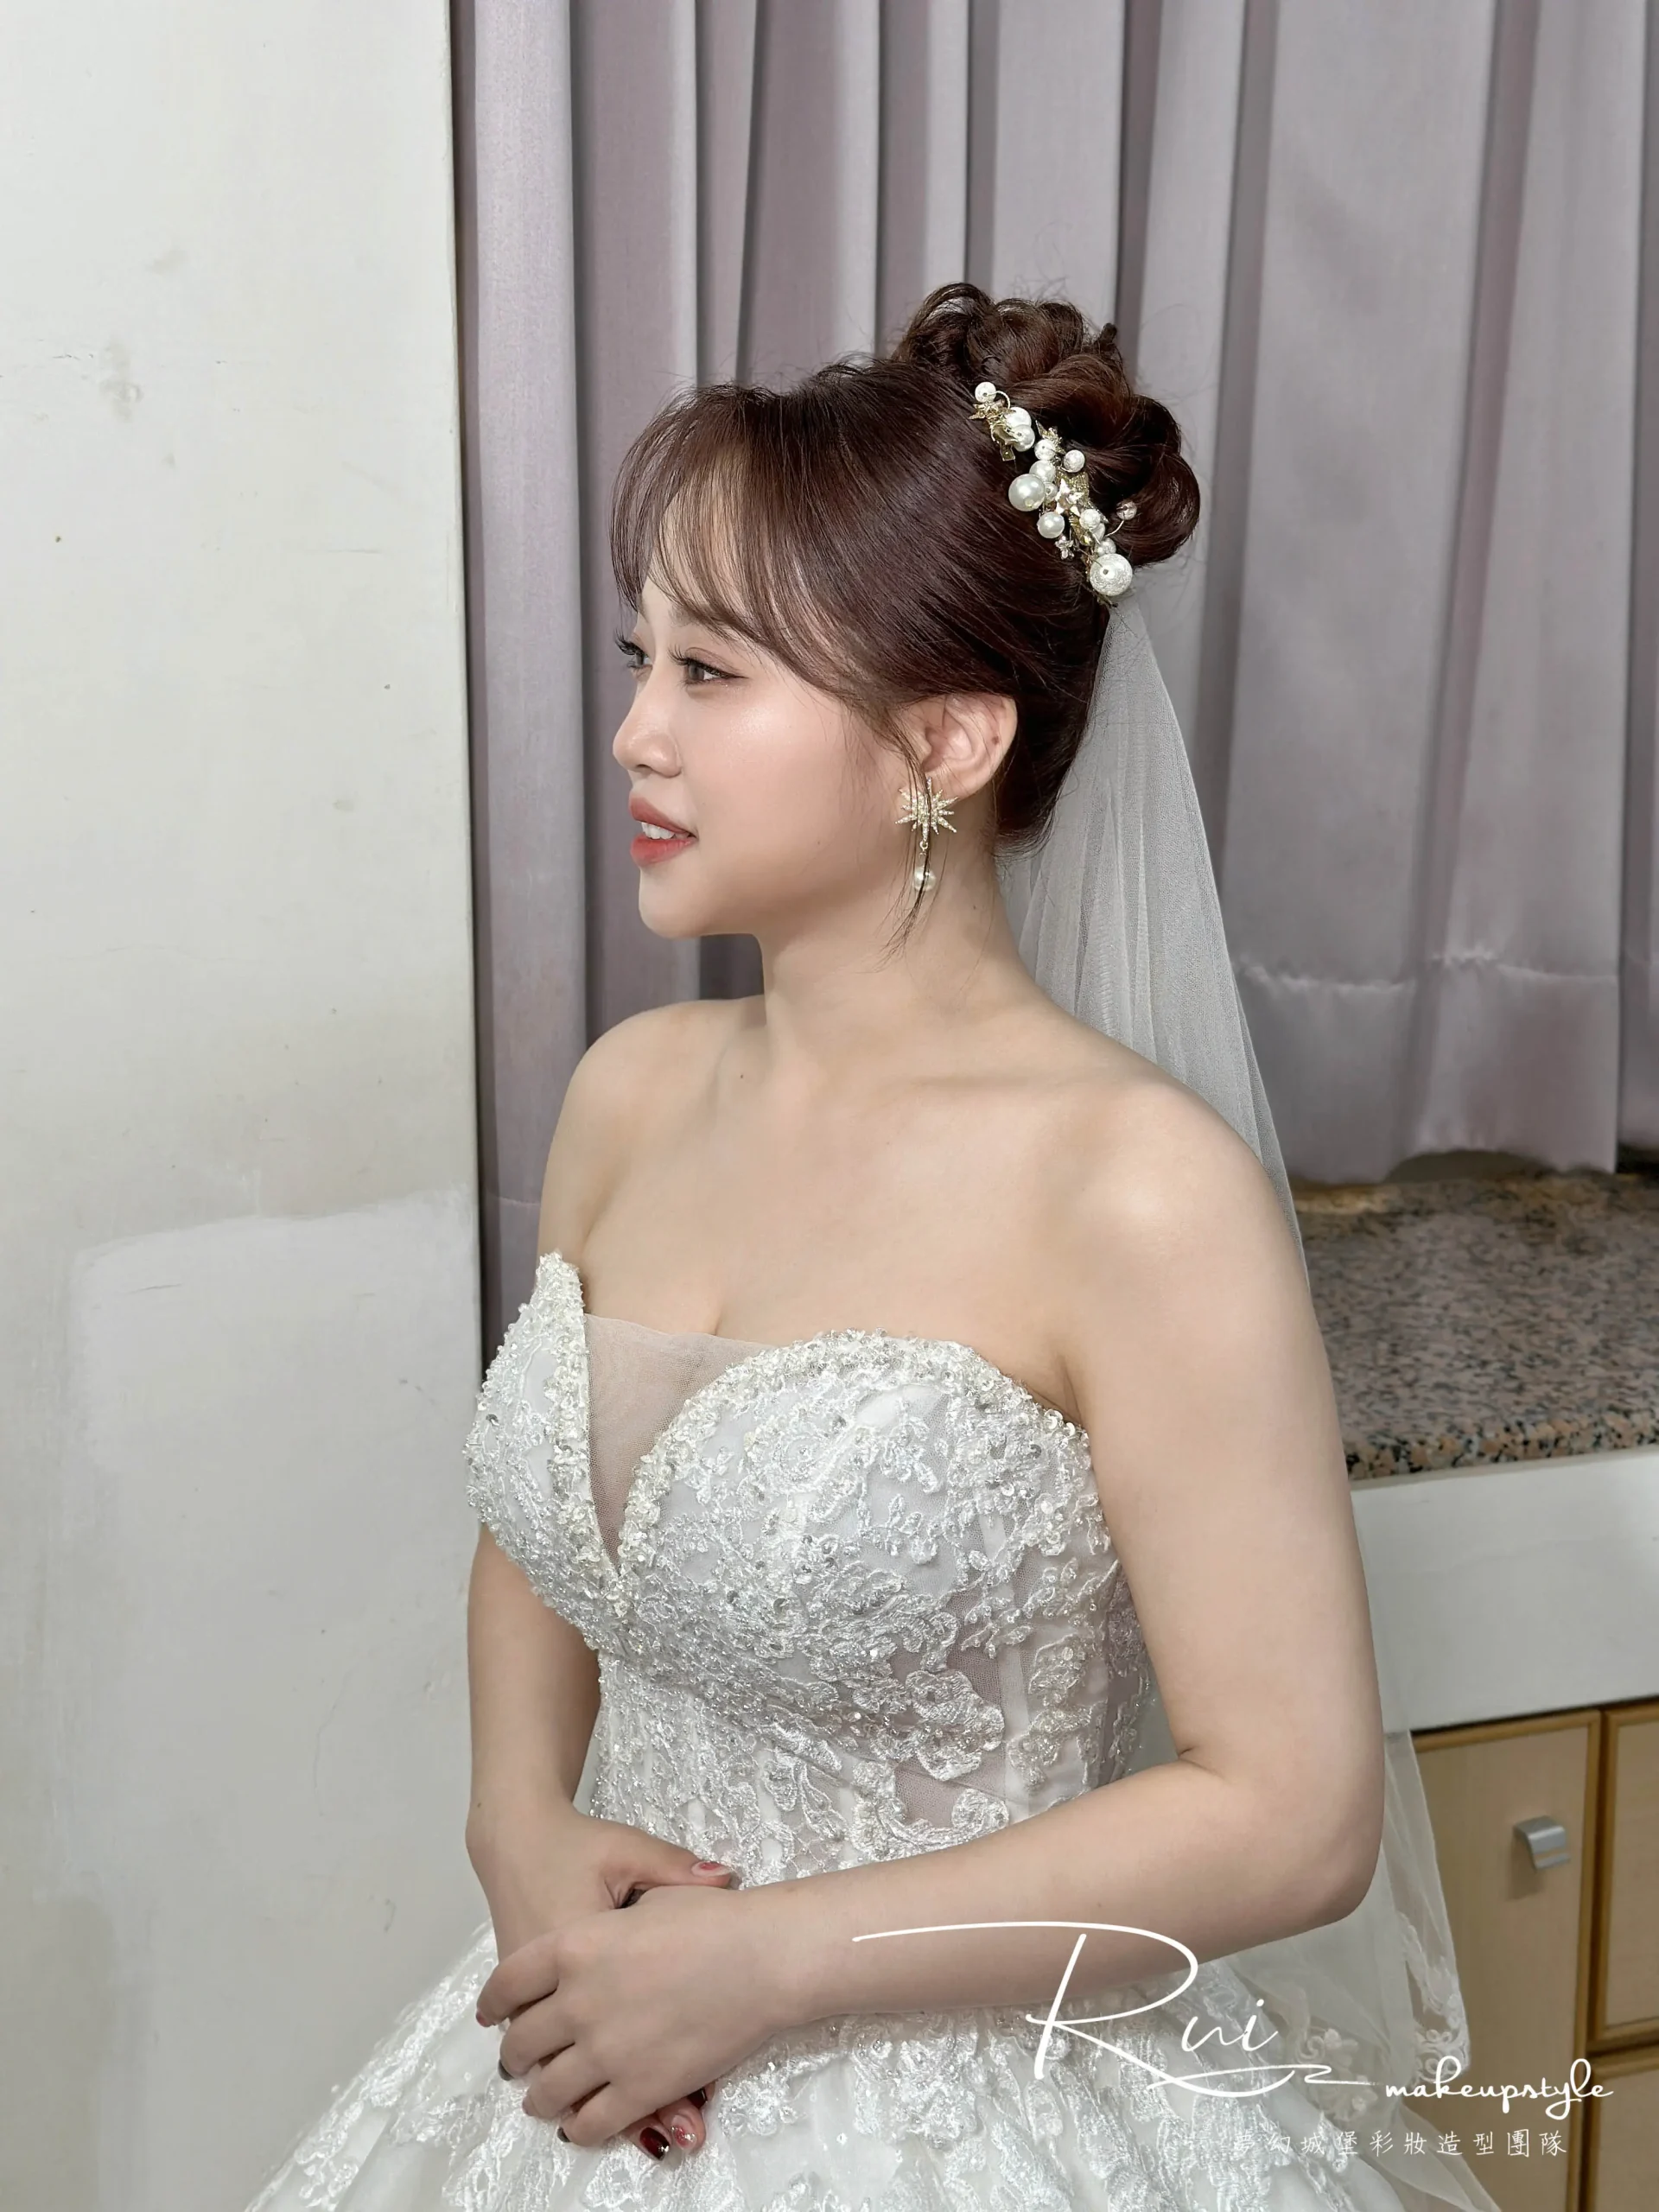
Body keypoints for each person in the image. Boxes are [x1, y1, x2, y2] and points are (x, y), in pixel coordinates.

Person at [248, 284, 1497, 2212]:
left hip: (972, 2109)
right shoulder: (629, 1094)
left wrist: (765, 1963)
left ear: (946, 738)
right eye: (641, 657)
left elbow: (1294, 1814)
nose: (633, 732)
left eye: (712, 673)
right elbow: (540, 1538)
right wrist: (517, 1822)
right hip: (592, 2056)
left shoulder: (1133, 1192)